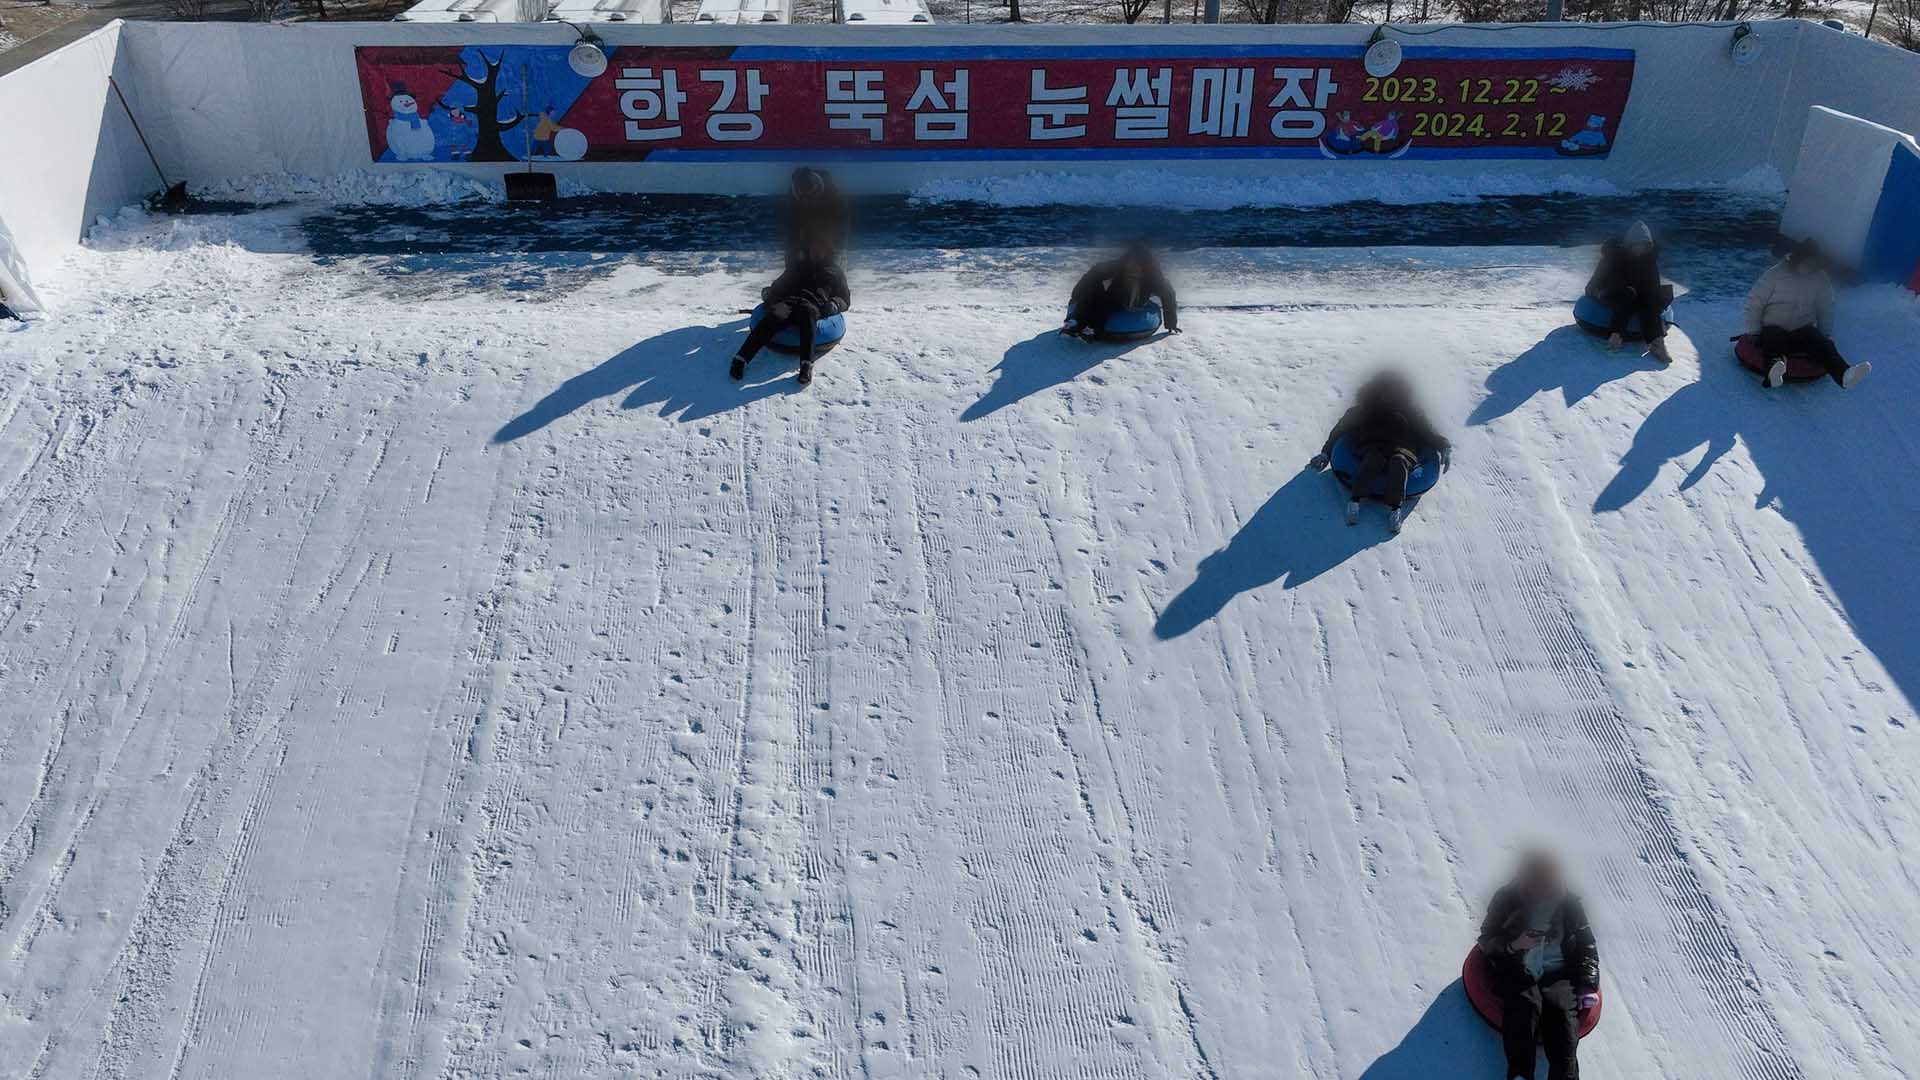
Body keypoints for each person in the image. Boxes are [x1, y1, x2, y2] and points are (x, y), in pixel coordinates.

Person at [1477, 850, 1600, 1080]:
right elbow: (1487, 939)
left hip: (1557, 973)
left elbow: (1586, 944)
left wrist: (1587, 983)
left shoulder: (1569, 904)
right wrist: (1515, 944)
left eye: (1548, 883)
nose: (1542, 889)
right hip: (1518, 968)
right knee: (1524, 1009)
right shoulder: (1506, 899)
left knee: (1562, 1016)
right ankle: (1520, 1075)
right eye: (1537, 882)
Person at [1309, 371, 1451, 533]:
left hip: (1403, 447)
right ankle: (1355, 501)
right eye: (1385, 391)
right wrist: (1326, 453)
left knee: (1399, 462)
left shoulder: (1411, 412)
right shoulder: (1365, 409)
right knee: (1373, 458)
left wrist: (1444, 446)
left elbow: (1428, 431)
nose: (1389, 396)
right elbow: (1340, 430)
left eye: (1394, 392)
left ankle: (1395, 508)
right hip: (1373, 444)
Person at [1743, 237, 1869, 390]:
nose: (1809, 267)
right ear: (1797, 259)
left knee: (1821, 343)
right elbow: (1755, 302)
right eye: (1806, 262)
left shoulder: (1820, 279)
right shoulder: (1775, 275)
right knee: (1773, 339)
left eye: (1813, 263)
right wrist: (1753, 331)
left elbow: (1826, 308)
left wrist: (1825, 334)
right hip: (1774, 326)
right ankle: (1774, 371)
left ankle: (1844, 374)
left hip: (1802, 330)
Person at [729, 244, 850, 387]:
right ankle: (741, 359)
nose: (815, 252)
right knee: (774, 315)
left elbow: (845, 298)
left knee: (807, 316)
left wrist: (835, 304)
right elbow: (779, 285)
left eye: (819, 249)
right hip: (789, 302)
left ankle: (806, 365)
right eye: (813, 248)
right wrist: (770, 294)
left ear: (826, 251)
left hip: (813, 304)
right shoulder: (797, 266)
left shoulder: (834, 271)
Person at [1584, 220, 1673, 363]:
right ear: (1630, 244)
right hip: (1607, 291)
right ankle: (1615, 337)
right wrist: (1598, 290)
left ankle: (1657, 343)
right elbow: (1599, 279)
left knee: (1651, 298)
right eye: (1638, 245)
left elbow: (1652, 285)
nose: (1641, 249)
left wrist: (1653, 298)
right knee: (1628, 296)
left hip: (1633, 294)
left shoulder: (1648, 260)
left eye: (1645, 245)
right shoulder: (1614, 257)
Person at [1063, 244, 1180, 340]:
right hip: (1114, 298)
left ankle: (1093, 328)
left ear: (1146, 266)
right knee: (1094, 288)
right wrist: (1077, 295)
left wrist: (1171, 323)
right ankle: (1076, 322)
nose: (1132, 267)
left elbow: (1168, 294)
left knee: (1104, 305)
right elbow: (1095, 272)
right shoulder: (1120, 266)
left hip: (1133, 304)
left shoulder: (1154, 277)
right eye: (1130, 263)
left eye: (1137, 265)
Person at [780, 167, 850, 268]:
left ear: (816, 187)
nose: (806, 199)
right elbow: (790, 225)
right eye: (803, 196)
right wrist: (792, 250)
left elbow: (842, 221)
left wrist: (839, 246)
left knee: (830, 262)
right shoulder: (793, 196)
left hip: (825, 225)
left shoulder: (832, 195)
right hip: (804, 225)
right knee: (793, 258)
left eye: (809, 195)